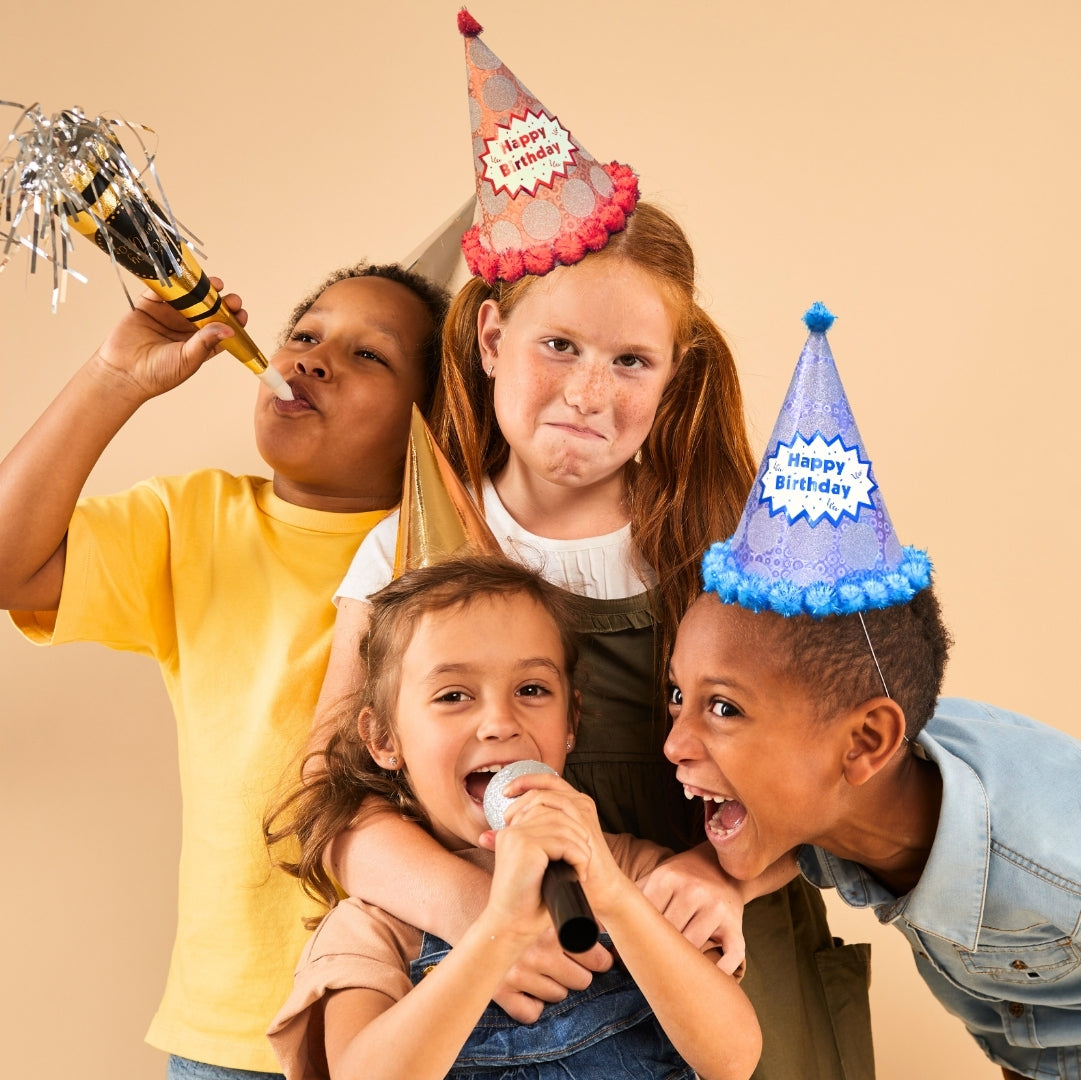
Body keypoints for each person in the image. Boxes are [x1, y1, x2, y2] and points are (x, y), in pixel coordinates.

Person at [309, 15, 876, 1078]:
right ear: (490, 339)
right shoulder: (410, 549)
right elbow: (323, 790)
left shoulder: (732, 555)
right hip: (501, 994)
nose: (585, 391)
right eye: (557, 345)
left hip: (718, 971)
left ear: (673, 377)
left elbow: (841, 768)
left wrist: (730, 880)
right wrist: (482, 912)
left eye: (629, 360)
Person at [0, 261, 449, 1079]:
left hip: (414, 1021)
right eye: (304, 336)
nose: (312, 359)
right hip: (230, 1025)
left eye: (367, 356)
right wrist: (112, 379)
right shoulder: (193, 521)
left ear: (432, 419)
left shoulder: (452, 561)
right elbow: (7, 562)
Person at [664, 304, 1081, 1080]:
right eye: (676, 697)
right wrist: (717, 872)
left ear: (864, 743)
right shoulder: (858, 801)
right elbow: (811, 834)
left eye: (722, 707)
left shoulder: (1055, 866)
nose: (674, 742)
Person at [266, 554, 762, 1080]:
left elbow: (732, 1058)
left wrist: (614, 895)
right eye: (454, 696)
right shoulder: (372, 928)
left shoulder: (638, 873)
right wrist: (494, 930)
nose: (500, 723)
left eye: (531, 690)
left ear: (571, 720)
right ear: (385, 740)